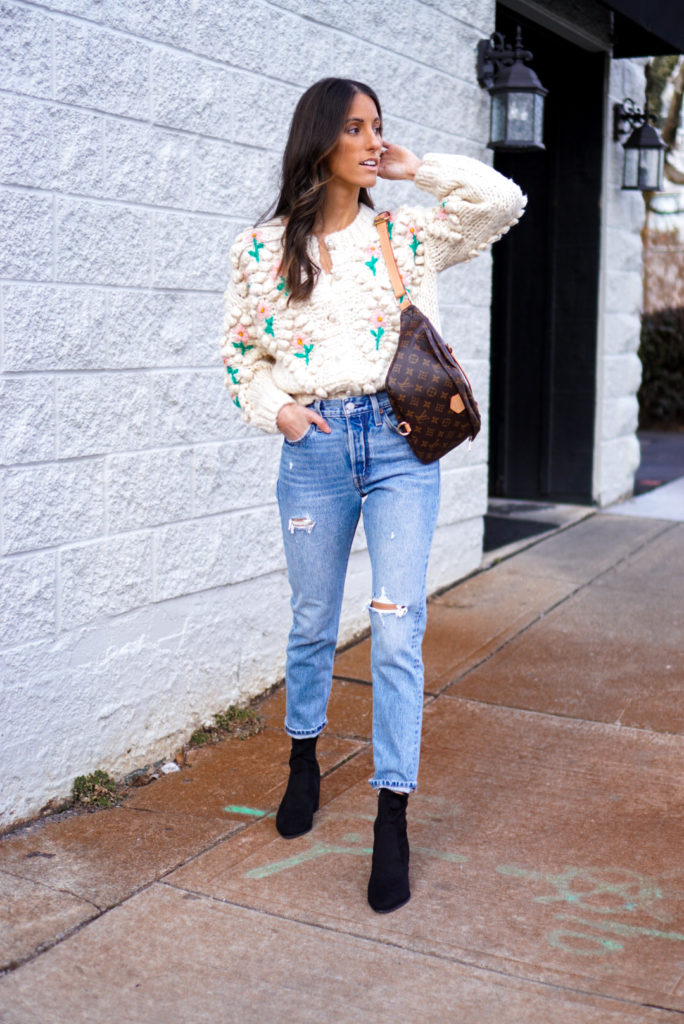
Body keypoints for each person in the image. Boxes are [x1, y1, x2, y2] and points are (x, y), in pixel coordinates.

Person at [220, 77, 525, 913]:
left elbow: (501, 203)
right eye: (355, 128)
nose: (369, 140)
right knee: (313, 620)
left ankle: (393, 817)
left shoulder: (407, 235)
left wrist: (417, 168)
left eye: (377, 129)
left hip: (399, 446)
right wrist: (277, 411)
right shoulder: (262, 249)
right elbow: (240, 356)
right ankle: (304, 760)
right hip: (314, 448)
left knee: (397, 630)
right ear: (319, 139)